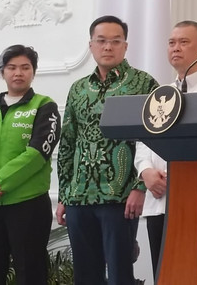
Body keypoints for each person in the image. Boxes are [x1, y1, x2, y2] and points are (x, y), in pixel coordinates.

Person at [56, 15, 159, 285]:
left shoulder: (143, 84)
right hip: (79, 197)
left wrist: (140, 187)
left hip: (120, 197)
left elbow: (152, 140)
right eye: (101, 41)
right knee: (86, 276)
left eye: (115, 41)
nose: (108, 47)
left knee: (120, 275)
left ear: (125, 46)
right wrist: (65, 194)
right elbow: (68, 142)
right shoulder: (78, 88)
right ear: (91, 45)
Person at [134, 20, 197, 279]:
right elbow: (144, 140)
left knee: (193, 274)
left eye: (184, 42)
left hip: (196, 201)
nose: (176, 48)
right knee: (162, 274)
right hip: (158, 198)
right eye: (171, 42)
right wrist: (146, 172)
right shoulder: (162, 92)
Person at [0, 45, 61, 284]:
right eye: (12, 67)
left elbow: (37, 153)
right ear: (2, 72)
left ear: (33, 72)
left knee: (30, 271)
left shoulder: (45, 106)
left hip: (28, 205)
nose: (18, 73)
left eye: (25, 67)